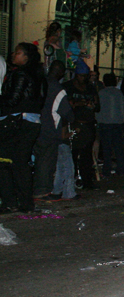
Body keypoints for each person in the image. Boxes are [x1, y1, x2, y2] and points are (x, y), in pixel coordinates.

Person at [0, 43, 46, 213]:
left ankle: (10, 201)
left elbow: (12, 99)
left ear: (27, 57)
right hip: (29, 121)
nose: (14, 55)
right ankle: (24, 202)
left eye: (18, 53)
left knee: (6, 162)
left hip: (16, 121)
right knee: (20, 162)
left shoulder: (20, 74)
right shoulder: (37, 75)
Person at [33, 60, 73, 199]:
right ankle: (42, 190)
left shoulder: (39, 83)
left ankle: (37, 188)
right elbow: (66, 112)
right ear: (61, 73)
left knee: (38, 160)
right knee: (46, 162)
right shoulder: (58, 89)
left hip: (35, 126)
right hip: (49, 130)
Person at [63, 59, 99, 190]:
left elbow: (97, 105)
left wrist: (92, 105)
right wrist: (80, 103)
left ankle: (87, 181)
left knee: (86, 155)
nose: (83, 78)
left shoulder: (90, 87)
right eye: (81, 76)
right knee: (71, 154)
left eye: (85, 76)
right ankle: (70, 182)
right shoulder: (68, 87)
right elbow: (66, 105)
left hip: (88, 124)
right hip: (74, 124)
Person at [96, 73, 124, 178]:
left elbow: (98, 110)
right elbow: (122, 108)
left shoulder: (101, 93)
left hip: (105, 123)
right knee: (118, 148)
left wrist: (98, 121)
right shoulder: (119, 93)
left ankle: (106, 171)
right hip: (117, 123)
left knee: (106, 149)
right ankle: (120, 169)